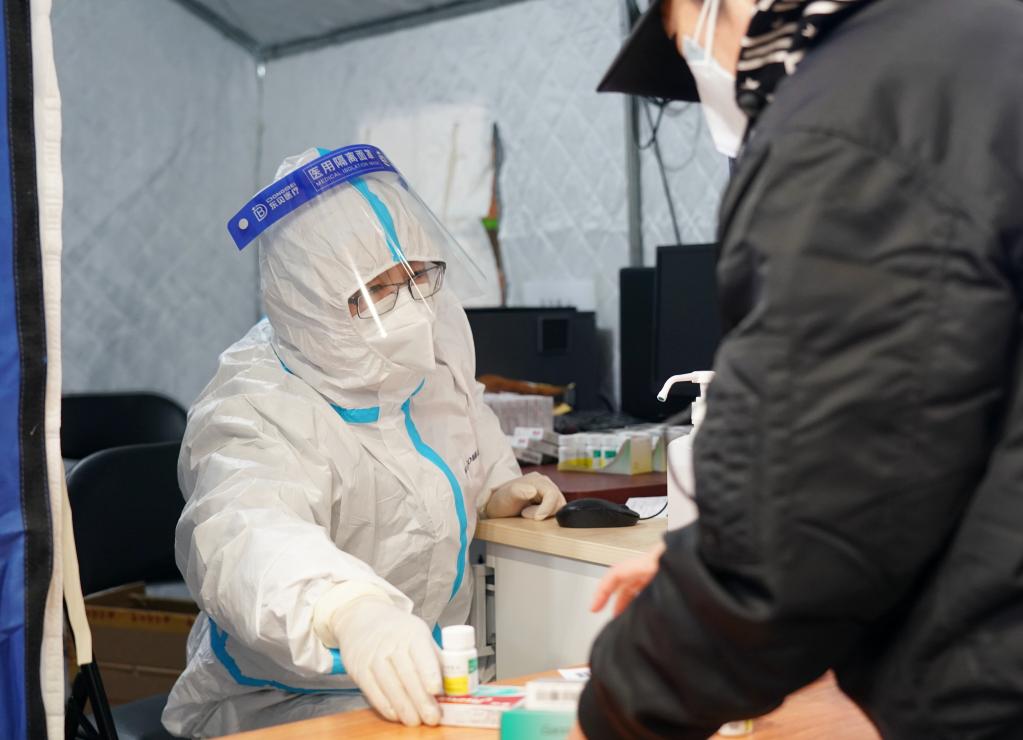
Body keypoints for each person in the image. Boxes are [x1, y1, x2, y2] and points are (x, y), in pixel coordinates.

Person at [575, 0, 1023, 737]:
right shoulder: (979, 45)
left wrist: (617, 709)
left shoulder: (856, 118)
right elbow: (946, 424)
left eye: (683, 42)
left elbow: (798, 533)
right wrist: (709, 559)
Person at [161, 146, 566, 738]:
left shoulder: (436, 334)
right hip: (278, 700)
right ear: (310, 302)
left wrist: (496, 487)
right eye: (375, 289)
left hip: (435, 682)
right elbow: (243, 533)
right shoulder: (254, 404)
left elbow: (466, 423)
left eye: (416, 274)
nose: (410, 308)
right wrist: (348, 608)